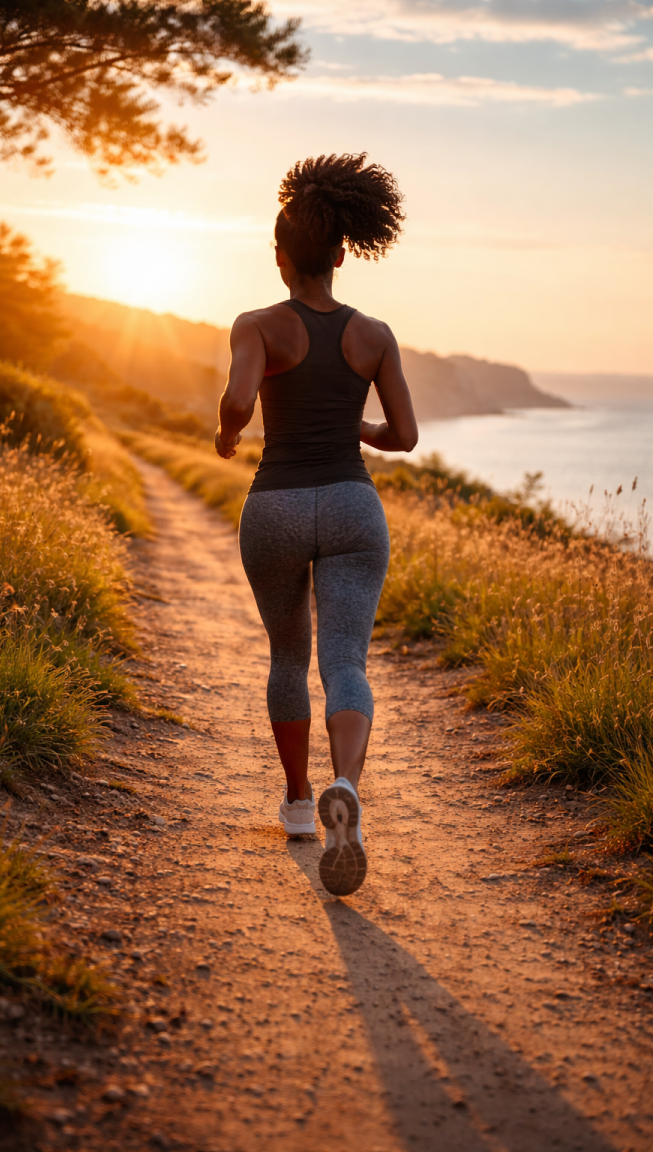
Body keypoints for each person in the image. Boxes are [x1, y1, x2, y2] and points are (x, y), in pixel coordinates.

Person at [215, 153, 418, 897]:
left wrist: (227, 436)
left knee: (286, 656)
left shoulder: (256, 326)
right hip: (351, 506)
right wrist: (353, 427)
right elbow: (405, 436)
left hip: (274, 503)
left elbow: (239, 402)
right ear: (340, 255)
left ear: (279, 256)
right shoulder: (375, 335)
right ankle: (347, 787)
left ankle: (300, 804)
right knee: (345, 661)